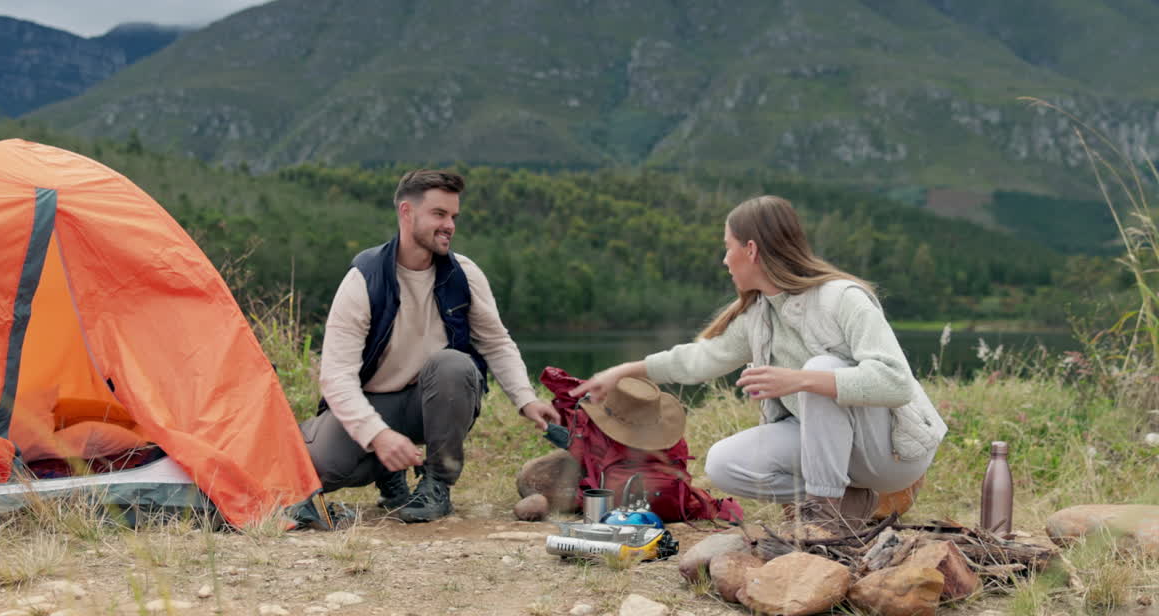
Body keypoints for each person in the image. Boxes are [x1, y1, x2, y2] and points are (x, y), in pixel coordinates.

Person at [572, 195, 946, 534]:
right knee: (725, 463)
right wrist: (623, 371)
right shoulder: (759, 315)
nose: (723, 259)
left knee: (821, 369)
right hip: (832, 457)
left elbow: (896, 382)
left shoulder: (842, 298)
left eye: (727, 247)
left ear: (750, 249)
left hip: (889, 455)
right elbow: (698, 360)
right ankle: (851, 502)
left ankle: (826, 516)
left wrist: (801, 379)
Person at [302, 169, 559, 523]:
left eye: (453, 216)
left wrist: (526, 399)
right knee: (324, 466)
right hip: (374, 405)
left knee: (453, 365)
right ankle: (386, 473)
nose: (450, 225)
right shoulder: (364, 279)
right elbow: (335, 378)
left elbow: (497, 343)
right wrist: (378, 435)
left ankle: (437, 484)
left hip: (432, 403)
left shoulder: (464, 274)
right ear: (407, 213)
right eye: (439, 214)